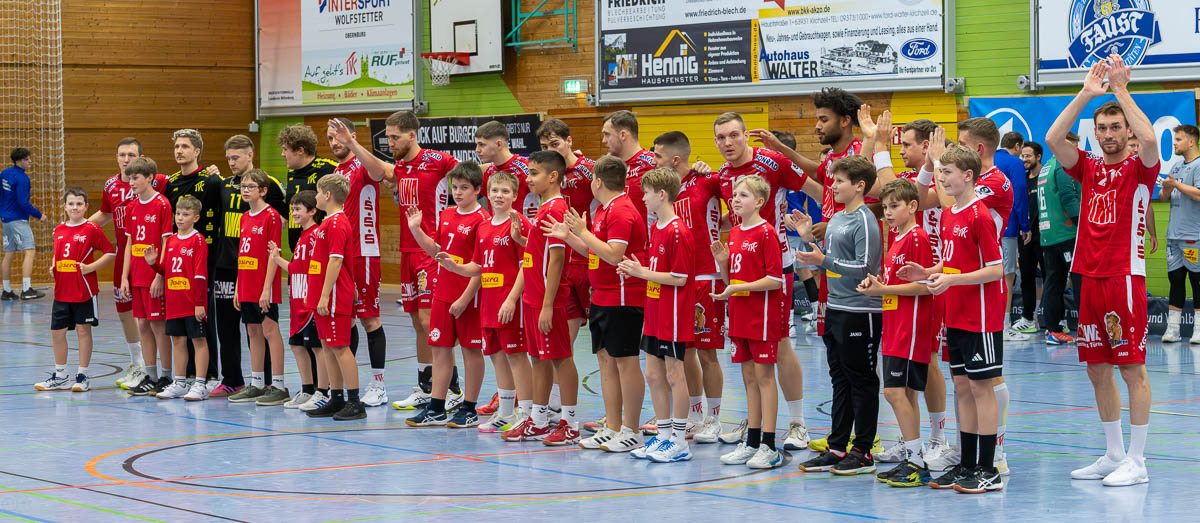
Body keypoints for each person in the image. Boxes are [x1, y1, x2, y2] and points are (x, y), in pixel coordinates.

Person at [1047, 55, 1154, 487]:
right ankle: (1113, 454)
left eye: (1115, 127)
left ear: (1127, 131)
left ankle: (1138, 461)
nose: (1109, 134)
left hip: (1124, 277)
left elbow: (1150, 139)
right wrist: (1087, 93)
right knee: (1097, 369)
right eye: (1102, 128)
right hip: (1087, 277)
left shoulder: (1141, 167)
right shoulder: (1088, 166)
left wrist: (1121, 89)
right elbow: (1054, 138)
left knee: (1131, 369)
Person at [901, 141, 1007, 494]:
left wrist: (951, 280)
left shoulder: (980, 215)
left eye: (947, 172)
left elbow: (995, 269)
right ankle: (967, 463)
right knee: (962, 387)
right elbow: (953, 262)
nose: (942, 179)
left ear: (968, 175)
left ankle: (989, 469)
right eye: (940, 172)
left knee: (980, 387)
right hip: (956, 313)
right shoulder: (949, 214)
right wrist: (929, 271)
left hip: (981, 316)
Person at [715, 112, 823, 451]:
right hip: (741, 268)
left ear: (747, 135)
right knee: (747, 348)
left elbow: (819, 191)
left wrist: (823, 226)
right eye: (721, 137)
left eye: (734, 135)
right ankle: (756, 421)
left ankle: (797, 423)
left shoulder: (772, 162)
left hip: (776, 267)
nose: (728, 143)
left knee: (781, 342)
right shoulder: (722, 175)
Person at [857, 112, 953, 467]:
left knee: (928, 361)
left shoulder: (942, 180)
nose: (901, 151)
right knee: (908, 379)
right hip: (905, 288)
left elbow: (892, 187)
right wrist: (873, 142)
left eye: (906, 145)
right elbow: (879, 187)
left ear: (927, 146)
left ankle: (937, 438)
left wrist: (879, 142)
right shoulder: (914, 183)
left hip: (933, 279)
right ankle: (912, 440)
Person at [551, 155, 647, 452]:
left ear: (597, 182)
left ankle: (631, 430)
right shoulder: (605, 209)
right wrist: (570, 236)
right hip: (603, 296)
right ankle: (613, 426)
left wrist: (582, 232)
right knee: (605, 360)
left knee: (626, 361)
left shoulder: (621, 210)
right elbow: (596, 251)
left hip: (623, 297)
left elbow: (614, 255)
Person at [794, 155, 884, 476]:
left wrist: (823, 260)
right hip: (835, 308)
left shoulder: (865, 220)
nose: (832, 186)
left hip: (861, 311)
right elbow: (831, 258)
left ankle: (863, 451)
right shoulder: (836, 219)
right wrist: (809, 239)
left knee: (862, 381)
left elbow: (865, 267)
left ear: (859, 186)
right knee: (840, 380)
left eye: (840, 181)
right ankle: (836, 447)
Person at [435, 171, 534, 432]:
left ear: (515, 195)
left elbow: (527, 265)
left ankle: (526, 415)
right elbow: (477, 267)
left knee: (516, 357)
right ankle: (506, 412)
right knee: (497, 357)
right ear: (487, 193)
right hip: (489, 303)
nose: (499, 195)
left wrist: (512, 299)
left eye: (505, 191)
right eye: (495, 191)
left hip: (509, 302)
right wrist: (454, 266)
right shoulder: (484, 226)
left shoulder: (519, 223)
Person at [381, 111, 464, 412]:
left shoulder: (438, 160)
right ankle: (425, 385)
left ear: (412, 135)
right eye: (388, 138)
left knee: (432, 321)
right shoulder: (400, 167)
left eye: (395, 137)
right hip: (407, 249)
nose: (391, 143)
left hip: (432, 251)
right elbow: (381, 170)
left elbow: (471, 175)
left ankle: (452, 387)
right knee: (417, 322)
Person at [858, 179, 938, 487]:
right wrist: (878, 284)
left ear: (913, 206)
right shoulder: (898, 237)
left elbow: (924, 286)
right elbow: (896, 282)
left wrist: (884, 290)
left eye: (894, 206)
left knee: (893, 392)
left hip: (910, 326)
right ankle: (913, 458)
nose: (888, 212)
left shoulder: (917, 237)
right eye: (885, 207)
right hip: (895, 324)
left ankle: (917, 461)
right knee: (906, 394)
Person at [501, 150, 580, 445]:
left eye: (534, 173)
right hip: (534, 297)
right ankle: (538, 420)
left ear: (553, 176)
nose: (528, 178)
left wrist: (548, 305)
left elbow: (557, 260)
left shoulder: (556, 209)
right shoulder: (544, 208)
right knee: (538, 358)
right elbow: (540, 253)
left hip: (550, 300)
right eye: (528, 172)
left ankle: (570, 424)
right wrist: (522, 240)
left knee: (561, 359)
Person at [651, 131, 725, 443]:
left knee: (708, 352)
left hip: (706, 276)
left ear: (676, 159)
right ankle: (694, 415)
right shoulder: (665, 192)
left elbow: (740, 203)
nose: (654, 161)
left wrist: (710, 169)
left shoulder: (706, 180)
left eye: (658, 156)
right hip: (679, 279)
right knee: (687, 351)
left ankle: (715, 418)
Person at [618, 167, 696, 463]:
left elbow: (680, 278)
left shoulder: (678, 230)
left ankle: (679, 441)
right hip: (654, 310)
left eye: (647, 193)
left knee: (675, 374)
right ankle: (663, 436)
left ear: (662, 194)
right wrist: (636, 270)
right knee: (652, 373)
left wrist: (642, 272)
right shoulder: (658, 227)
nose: (643, 198)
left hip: (673, 313)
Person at [404, 162, 490, 428]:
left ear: (477, 190)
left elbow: (482, 267)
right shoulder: (447, 214)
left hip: (469, 298)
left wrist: (465, 298)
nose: (458, 192)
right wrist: (416, 229)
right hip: (443, 293)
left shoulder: (483, 220)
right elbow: (437, 252)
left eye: (464, 188)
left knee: (471, 352)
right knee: (440, 350)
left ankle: (469, 408)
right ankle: (436, 408)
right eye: (455, 187)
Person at [711, 175, 786, 469]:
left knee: (765, 378)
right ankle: (752, 441)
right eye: (734, 195)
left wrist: (737, 287)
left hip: (762, 317)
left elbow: (775, 279)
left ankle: (769, 445)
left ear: (759, 202)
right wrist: (723, 264)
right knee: (748, 379)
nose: (735, 200)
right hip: (739, 315)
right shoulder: (735, 233)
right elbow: (732, 280)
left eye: (743, 195)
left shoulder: (766, 233)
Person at [209, 135, 287, 397]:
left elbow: (287, 218)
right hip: (228, 266)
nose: (231, 162)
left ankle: (270, 382)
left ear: (250, 154)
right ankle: (234, 379)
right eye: (228, 158)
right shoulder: (223, 184)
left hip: (258, 268)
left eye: (236, 157)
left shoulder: (269, 185)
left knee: (264, 328)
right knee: (228, 326)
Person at [90, 138, 169, 390]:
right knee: (127, 312)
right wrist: (76, 228)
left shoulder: (158, 183)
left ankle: (164, 373)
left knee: (154, 320)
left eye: (131, 155)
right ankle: (138, 364)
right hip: (126, 258)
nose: (126, 159)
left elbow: (183, 178)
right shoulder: (110, 185)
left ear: (141, 158)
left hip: (150, 262)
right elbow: (105, 214)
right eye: (121, 155)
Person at [326, 118, 390, 407]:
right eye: (330, 138)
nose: (335, 142)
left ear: (351, 135)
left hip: (364, 252)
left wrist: (352, 143)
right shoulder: (337, 172)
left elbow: (381, 172)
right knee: (346, 318)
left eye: (339, 136)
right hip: (341, 254)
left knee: (369, 318)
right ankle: (344, 386)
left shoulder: (363, 164)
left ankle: (379, 385)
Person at [34, 188, 115, 392]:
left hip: (84, 290)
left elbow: (110, 252)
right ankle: (61, 376)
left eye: (79, 204)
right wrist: (54, 265)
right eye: (71, 204)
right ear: (65, 206)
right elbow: (58, 252)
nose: (75, 207)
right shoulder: (59, 229)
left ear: (86, 207)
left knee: (83, 330)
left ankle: (82, 375)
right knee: (57, 332)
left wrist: (91, 267)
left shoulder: (91, 228)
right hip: (62, 291)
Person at [303, 174, 367, 421]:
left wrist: (324, 295)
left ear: (327, 195)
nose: (316, 197)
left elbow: (336, 261)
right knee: (328, 347)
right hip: (324, 295)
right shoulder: (327, 222)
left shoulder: (338, 223)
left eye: (318, 192)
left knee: (340, 347)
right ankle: (336, 398)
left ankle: (355, 402)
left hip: (334, 295)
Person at [166, 129, 224, 386]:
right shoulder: (171, 182)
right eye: (177, 146)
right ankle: (186, 374)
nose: (179, 151)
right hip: (178, 260)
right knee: (182, 317)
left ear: (197, 151)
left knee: (202, 315)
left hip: (205, 258)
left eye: (185, 146)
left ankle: (209, 374)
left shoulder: (211, 181)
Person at [227, 169, 288, 406]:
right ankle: (257, 382)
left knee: (270, 331)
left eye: (251, 187)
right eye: (243, 186)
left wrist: (266, 289)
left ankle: (279, 385)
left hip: (264, 286)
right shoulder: (244, 217)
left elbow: (274, 255)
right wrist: (238, 287)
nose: (245, 190)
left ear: (263, 191)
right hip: (246, 285)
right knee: (252, 332)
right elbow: (243, 255)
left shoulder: (271, 216)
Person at [145, 195, 211, 401]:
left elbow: (200, 274)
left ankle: (200, 384)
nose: (180, 218)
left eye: (186, 214)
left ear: (196, 218)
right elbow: (166, 270)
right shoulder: (172, 240)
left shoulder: (198, 240)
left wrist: (199, 303)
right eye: (178, 214)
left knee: (199, 340)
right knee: (178, 340)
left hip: (192, 302)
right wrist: (153, 264)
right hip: (174, 302)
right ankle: (180, 383)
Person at [269, 191, 328, 410]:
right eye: (292, 209)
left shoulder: (316, 235)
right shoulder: (302, 237)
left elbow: (319, 269)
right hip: (296, 301)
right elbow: (297, 269)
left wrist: (316, 295)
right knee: (296, 345)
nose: (293, 213)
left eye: (298, 209)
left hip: (309, 302)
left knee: (317, 347)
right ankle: (307, 389)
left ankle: (323, 391)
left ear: (312, 211)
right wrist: (277, 259)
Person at [122, 157, 174, 395]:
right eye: (129, 178)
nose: (131, 182)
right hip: (136, 276)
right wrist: (125, 277)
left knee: (158, 326)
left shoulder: (162, 204)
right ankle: (150, 375)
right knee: (142, 325)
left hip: (153, 276)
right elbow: (129, 244)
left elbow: (166, 242)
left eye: (136, 178)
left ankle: (166, 376)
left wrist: (159, 276)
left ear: (150, 178)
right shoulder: (131, 207)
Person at [1037, 132, 1083, 345]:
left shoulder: (1046, 167)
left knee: (1053, 282)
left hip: (1049, 235)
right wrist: (1083, 226)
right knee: (1080, 280)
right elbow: (1069, 197)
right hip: (1067, 233)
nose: (1076, 152)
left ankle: (1053, 330)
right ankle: (1087, 330)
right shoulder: (1063, 165)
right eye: (1074, 147)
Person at [1159, 124, 1200, 343]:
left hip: (1194, 235)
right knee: (1175, 280)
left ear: (1191, 142)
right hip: (1174, 236)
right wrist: (1167, 189)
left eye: (1178, 140)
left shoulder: (1199, 165)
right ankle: (1173, 329)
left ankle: (1198, 329)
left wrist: (1176, 184)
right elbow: (1163, 197)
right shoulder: (1175, 166)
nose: (1174, 143)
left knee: (1197, 281)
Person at [996, 132, 1033, 340]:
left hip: (984, 227)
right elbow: (1018, 195)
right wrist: (1025, 226)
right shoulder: (1015, 163)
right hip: (1007, 227)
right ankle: (1003, 327)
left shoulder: (988, 159)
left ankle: (990, 324)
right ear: (1017, 146)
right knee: (1007, 276)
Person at [278, 124, 338, 250]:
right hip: (298, 250)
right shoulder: (292, 172)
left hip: (321, 249)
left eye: (285, 149)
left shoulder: (330, 169)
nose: (282, 154)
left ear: (300, 150)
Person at [0, 147, 46, 300]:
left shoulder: (4, 173)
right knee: (30, 251)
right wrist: (39, 215)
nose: (30, 161)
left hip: (6, 220)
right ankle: (26, 290)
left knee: (9, 254)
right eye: (27, 159)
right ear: (18, 161)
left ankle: (6, 291)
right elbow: (23, 202)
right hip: (18, 219)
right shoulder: (22, 179)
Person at [601, 110, 657, 224]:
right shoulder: (608, 166)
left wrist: (696, 168)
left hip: (647, 234)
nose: (603, 141)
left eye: (607, 134)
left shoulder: (653, 164)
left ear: (623, 135)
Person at [477, 120, 535, 217]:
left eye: (482, 145)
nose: (477, 150)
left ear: (499, 144)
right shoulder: (488, 171)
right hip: (497, 226)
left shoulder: (526, 169)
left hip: (523, 225)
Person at [1016, 142, 1045, 335]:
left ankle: (1056, 319)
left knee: (1051, 277)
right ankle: (1028, 318)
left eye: (1028, 156)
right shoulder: (1023, 179)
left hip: (1045, 235)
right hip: (1025, 236)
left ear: (1038, 156)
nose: (1025, 160)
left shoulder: (1046, 176)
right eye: (1023, 156)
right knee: (1026, 277)